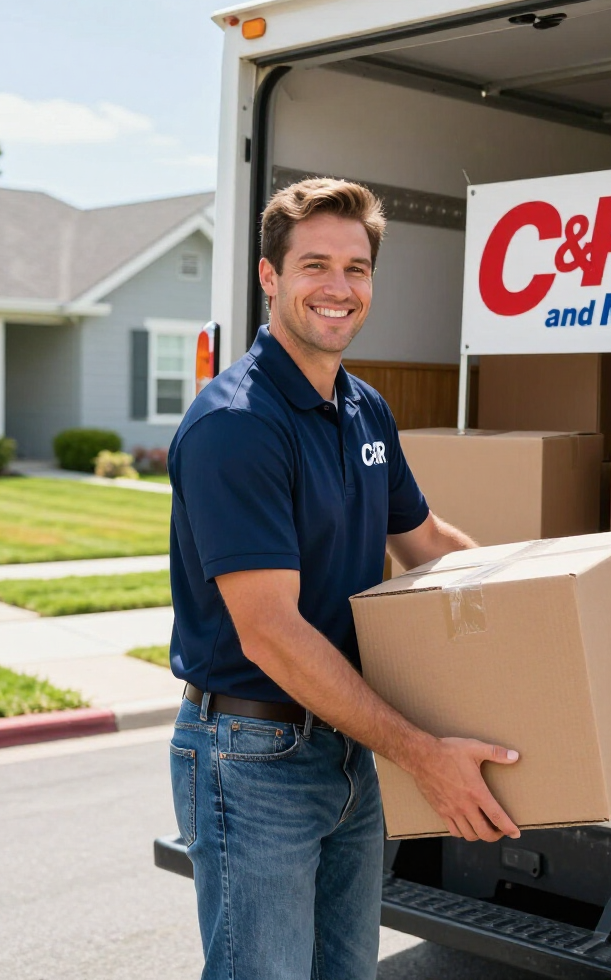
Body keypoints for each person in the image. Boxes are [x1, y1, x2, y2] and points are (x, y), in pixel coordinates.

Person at [168, 177, 520, 980]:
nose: (339, 287)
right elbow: (271, 633)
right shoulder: (236, 424)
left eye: (356, 268)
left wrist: (535, 607)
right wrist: (422, 755)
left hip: (349, 746)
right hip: (252, 757)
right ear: (269, 276)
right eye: (315, 265)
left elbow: (427, 542)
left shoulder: (364, 409)